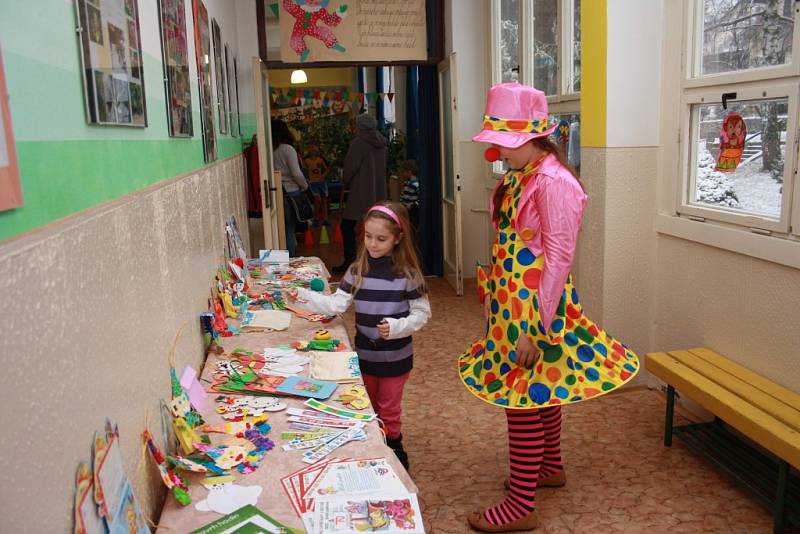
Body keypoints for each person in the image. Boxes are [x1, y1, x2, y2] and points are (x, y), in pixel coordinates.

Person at [459, 82, 640, 532]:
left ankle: (520, 506)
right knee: (541, 385)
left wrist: (535, 329)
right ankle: (549, 467)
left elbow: (558, 260)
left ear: (529, 136)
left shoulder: (555, 181)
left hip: (534, 309)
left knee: (519, 397)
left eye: (503, 141)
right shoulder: (522, 173)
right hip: (510, 305)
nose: (497, 150)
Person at [291, 201, 430, 469]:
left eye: (381, 239)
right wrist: (302, 296)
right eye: (368, 237)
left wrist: (397, 326)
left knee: (389, 408)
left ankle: (394, 447)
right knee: (366, 404)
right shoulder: (357, 271)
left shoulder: (408, 275)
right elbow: (336, 306)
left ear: (398, 238)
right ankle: (371, 446)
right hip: (365, 356)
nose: (373, 244)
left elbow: (422, 314)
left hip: (395, 358)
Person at [333, 113, 388, 273]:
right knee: (377, 227)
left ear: (359, 126)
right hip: (378, 191)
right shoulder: (382, 143)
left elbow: (350, 167)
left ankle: (351, 261)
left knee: (347, 226)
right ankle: (377, 261)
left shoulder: (358, 143)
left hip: (360, 191)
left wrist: (345, 181)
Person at [271, 118, 308, 257]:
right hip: (291, 194)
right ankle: (290, 260)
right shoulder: (287, 149)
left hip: (275, 193)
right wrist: (304, 186)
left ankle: (281, 260)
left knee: (279, 232)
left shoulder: (269, 150)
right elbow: (296, 173)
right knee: (289, 231)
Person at [303, 143, 331, 226]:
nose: (312, 148)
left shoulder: (321, 159)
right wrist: (306, 179)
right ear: (308, 149)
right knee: (317, 199)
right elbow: (303, 170)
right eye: (310, 147)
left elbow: (328, 168)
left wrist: (323, 176)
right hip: (313, 183)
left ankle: (325, 219)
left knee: (324, 200)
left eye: (314, 146)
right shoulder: (306, 160)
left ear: (317, 148)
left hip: (321, 182)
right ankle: (316, 218)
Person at [398, 160, 420, 229]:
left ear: (409, 172)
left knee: (413, 227)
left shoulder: (416, 184)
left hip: (412, 211)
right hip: (405, 210)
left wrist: (412, 205)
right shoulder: (406, 183)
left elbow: (420, 199)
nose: (402, 174)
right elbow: (403, 195)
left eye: (404, 172)